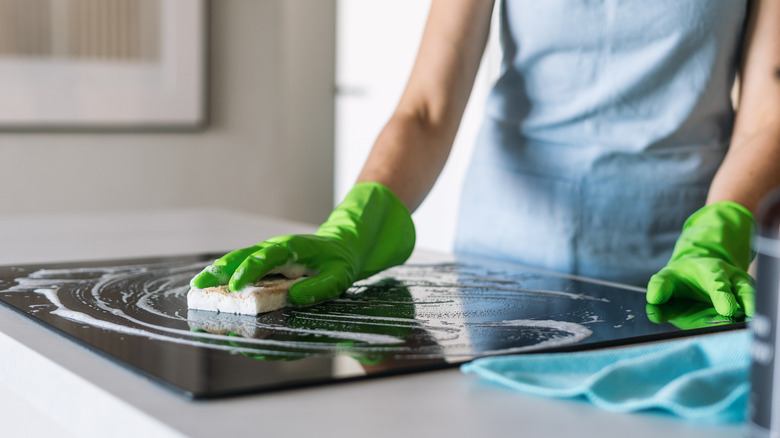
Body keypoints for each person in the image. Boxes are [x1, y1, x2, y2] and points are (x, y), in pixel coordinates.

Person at [192, 0, 780, 317]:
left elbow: (767, 110)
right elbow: (427, 107)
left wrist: (717, 233)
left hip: (672, 268)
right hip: (500, 266)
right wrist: (354, 221)